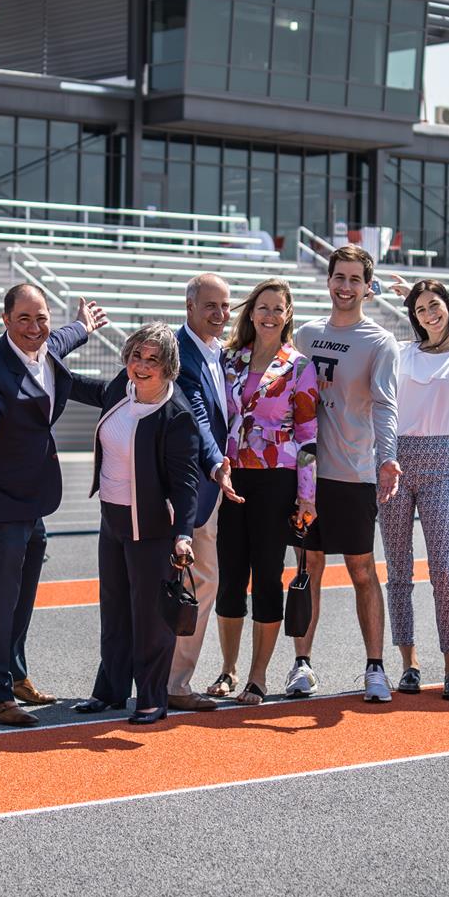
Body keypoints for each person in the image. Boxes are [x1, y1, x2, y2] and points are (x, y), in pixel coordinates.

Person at [0, 284, 109, 726]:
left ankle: (15, 675)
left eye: (41, 318)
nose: (36, 328)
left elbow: (65, 337)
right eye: (25, 319)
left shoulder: (47, 343)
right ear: (5, 320)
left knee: (23, 595)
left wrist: (84, 325)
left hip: (32, 498)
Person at [73, 323, 204, 723]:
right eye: (136, 356)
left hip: (151, 528)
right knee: (113, 609)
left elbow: (186, 484)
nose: (142, 365)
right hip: (112, 518)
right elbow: (74, 383)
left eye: (152, 359)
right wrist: (56, 342)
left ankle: (151, 698)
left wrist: (183, 534)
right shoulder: (121, 388)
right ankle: (110, 691)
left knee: (150, 616)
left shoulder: (176, 415)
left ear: (168, 367)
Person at [286, 245, 401, 702]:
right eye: (340, 277)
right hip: (308, 473)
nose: (346, 286)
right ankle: (302, 664)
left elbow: (387, 407)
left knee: (360, 569)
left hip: (353, 472)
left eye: (356, 279)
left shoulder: (379, 341)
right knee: (307, 566)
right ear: (329, 281)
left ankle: (375, 667)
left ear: (367, 288)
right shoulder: (306, 334)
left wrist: (387, 456)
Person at [380, 254, 449, 700]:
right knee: (399, 572)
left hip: (442, 463)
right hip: (394, 462)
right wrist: (408, 297)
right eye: (421, 308)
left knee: (444, 570)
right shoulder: (402, 352)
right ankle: (408, 663)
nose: (430, 313)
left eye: (435, 304)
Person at [211, 278, 317, 706]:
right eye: (263, 307)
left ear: (288, 314)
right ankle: (227, 670)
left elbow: (308, 436)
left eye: (278, 308)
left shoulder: (298, 366)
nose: (270, 314)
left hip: (277, 479)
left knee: (267, 577)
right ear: (251, 312)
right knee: (230, 578)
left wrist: (306, 497)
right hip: (232, 477)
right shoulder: (228, 359)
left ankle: (258, 677)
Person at [165, 274, 241, 713]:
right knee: (195, 582)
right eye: (210, 305)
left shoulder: (217, 352)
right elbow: (196, 415)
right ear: (189, 306)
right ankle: (173, 681)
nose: (219, 314)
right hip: (194, 488)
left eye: (225, 306)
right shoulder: (182, 353)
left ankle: (168, 677)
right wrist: (216, 465)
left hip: (209, 488)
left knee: (194, 582)